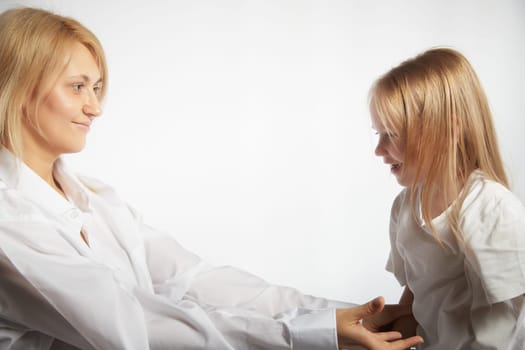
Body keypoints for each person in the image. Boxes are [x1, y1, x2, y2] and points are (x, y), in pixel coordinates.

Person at [0, 7, 424, 350]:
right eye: (77, 87)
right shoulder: (9, 222)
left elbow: (197, 281)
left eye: (96, 88)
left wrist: (348, 315)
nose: (95, 107)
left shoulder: (97, 199)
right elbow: (132, 328)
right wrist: (312, 333)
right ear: (17, 87)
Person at [368, 47, 525, 349]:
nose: (378, 150)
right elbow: (415, 298)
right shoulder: (404, 208)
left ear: (447, 130)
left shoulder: (492, 210)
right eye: (378, 133)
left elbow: (509, 327)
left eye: (390, 133)